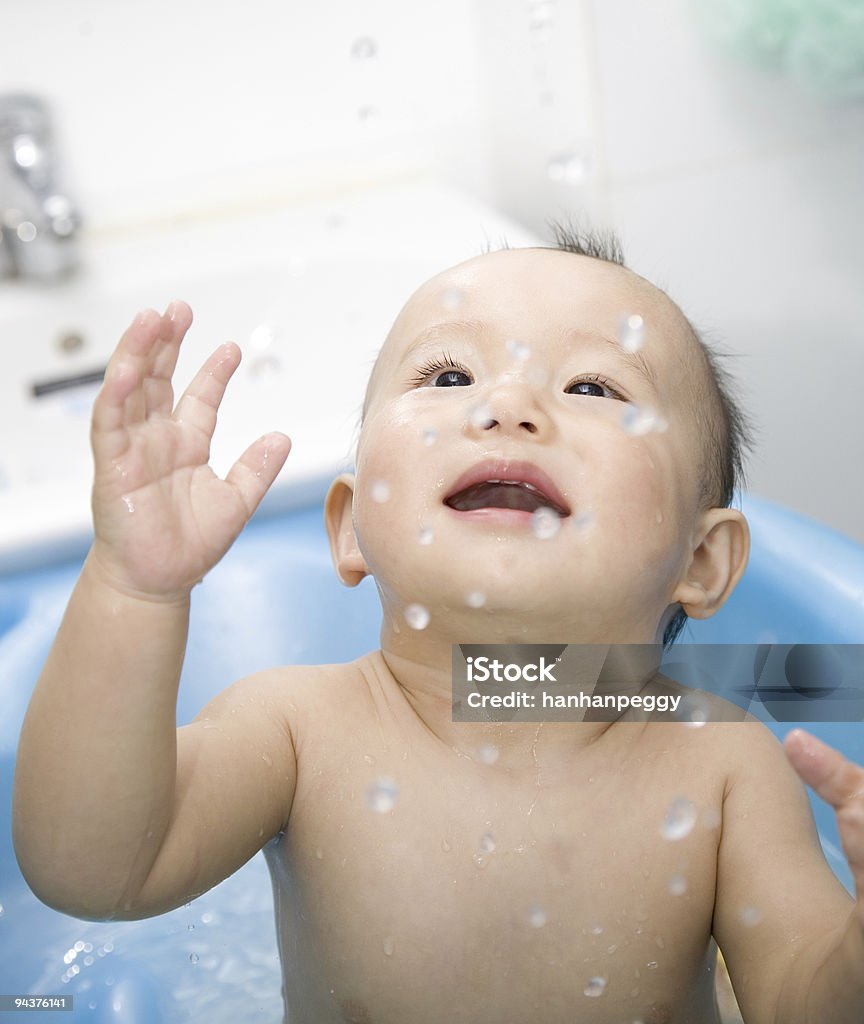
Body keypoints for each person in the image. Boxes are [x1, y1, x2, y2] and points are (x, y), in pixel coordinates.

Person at [12, 225, 864, 1024]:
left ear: (701, 562)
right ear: (350, 526)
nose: (508, 405)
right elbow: (96, 871)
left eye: (592, 387)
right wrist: (135, 588)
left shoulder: (723, 761)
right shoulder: (297, 733)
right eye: (450, 376)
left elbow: (801, 997)